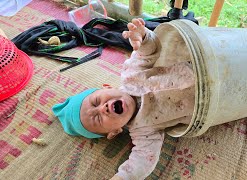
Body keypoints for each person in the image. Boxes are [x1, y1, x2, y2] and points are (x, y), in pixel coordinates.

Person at [52, 18, 195, 180]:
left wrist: (143, 37)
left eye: (96, 101)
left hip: (197, 65)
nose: (102, 108)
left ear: (107, 87)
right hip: (208, 102)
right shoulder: (143, 130)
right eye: (98, 118)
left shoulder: (130, 74)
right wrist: (123, 177)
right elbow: (143, 160)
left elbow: (149, 52)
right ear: (114, 132)